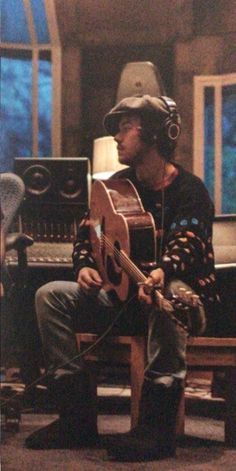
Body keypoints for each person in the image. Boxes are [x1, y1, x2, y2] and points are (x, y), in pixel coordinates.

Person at [25, 95, 219, 461]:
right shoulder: (115, 186)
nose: (117, 135)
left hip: (177, 303)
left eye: (126, 126)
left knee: (173, 294)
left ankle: (156, 431)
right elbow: (90, 233)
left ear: (159, 134)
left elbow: (188, 244)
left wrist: (162, 271)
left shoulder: (190, 190)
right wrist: (84, 265)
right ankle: (76, 420)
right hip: (123, 299)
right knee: (50, 295)